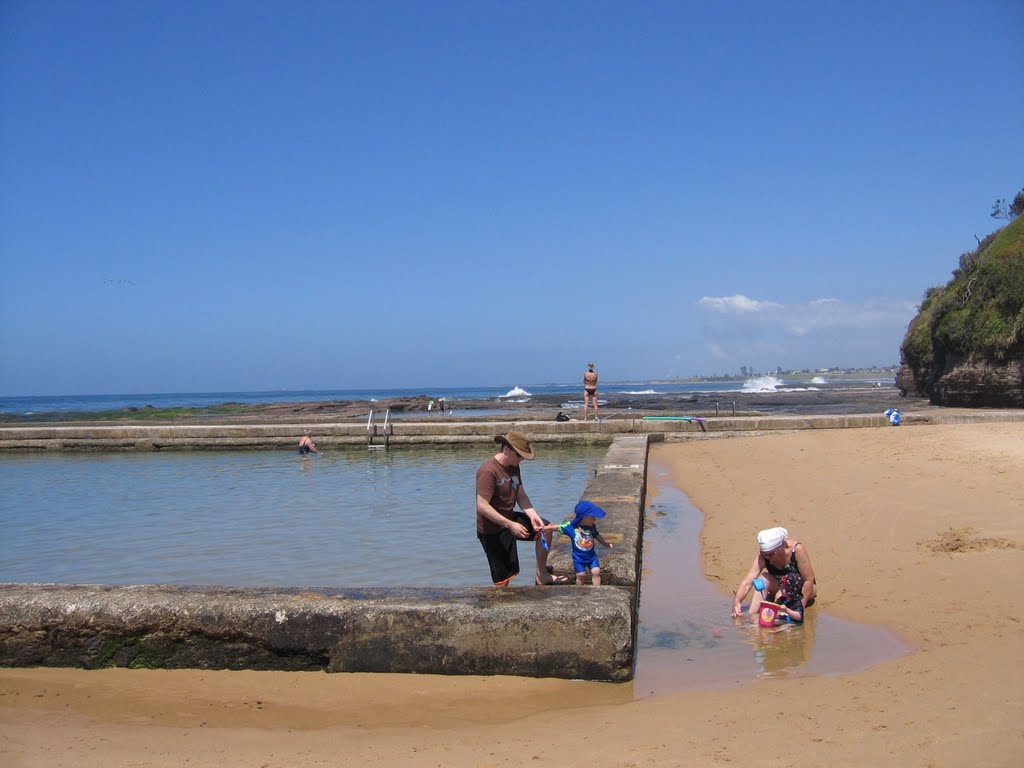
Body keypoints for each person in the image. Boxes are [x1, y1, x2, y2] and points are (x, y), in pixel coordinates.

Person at [476, 431, 569, 586]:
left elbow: (521, 495)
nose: (521, 460)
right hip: (492, 529)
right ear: (506, 450)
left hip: (509, 517)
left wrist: (533, 515)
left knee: (545, 529)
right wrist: (510, 525)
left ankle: (542, 574)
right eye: (519, 456)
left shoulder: (513, 466)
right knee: (504, 579)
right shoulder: (488, 471)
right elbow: (482, 506)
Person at [731, 526, 817, 617]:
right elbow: (747, 582)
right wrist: (737, 601)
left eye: (771, 554)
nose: (767, 557)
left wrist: (800, 607)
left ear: (781, 547)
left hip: (799, 587)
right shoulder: (763, 556)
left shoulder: (796, 550)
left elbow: (809, 581)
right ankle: (752, 615)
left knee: (779, 598)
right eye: (764, 554)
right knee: (763, 579)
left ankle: (778, 611)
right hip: (779, 584)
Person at [545, 500, 613, 585]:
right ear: (583, 517)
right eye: (592, 517)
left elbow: (597, 535)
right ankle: (580, 589)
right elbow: (559, 527)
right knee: (581, 575)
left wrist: (605, 543)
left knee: (596, 572)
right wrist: (547, 528)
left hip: (592, 556)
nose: (595, 519)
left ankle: (596, 590)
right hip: (579, 558)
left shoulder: (591, 527)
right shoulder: (571, 527)